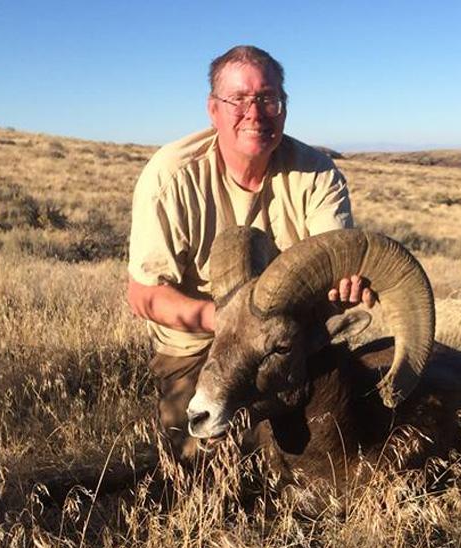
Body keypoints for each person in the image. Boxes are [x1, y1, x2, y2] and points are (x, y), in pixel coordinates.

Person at [127, 45, 374, 460]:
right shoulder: (170, 176)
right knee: (203, 464)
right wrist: (228, 323)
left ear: (284, 107)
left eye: (268, 99)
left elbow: (337, 259)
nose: (255, 113)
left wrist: (346, 285)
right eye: (238, 100)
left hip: (288, 343)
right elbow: (143, 296)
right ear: (213, 109)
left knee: (335, 448)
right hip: (200, 341)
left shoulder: (317, 175)